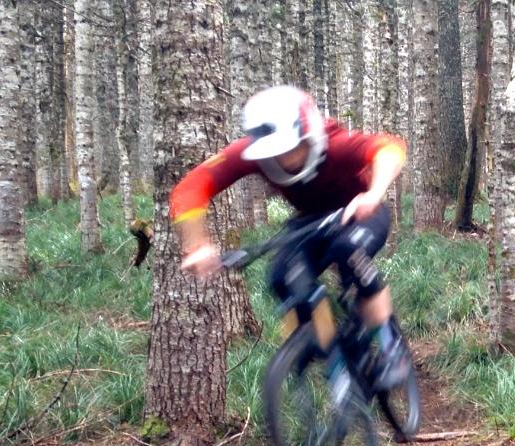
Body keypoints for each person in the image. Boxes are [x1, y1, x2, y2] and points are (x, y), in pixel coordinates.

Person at [170, 84, 410, 389]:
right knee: (281, 277)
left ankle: (391, 347)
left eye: (290, 148)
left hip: (360, 211)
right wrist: (197, 244)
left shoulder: (334, 144)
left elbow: (390, 148)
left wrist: (374, 194)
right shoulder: (250, 152)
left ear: (308, 135)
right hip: (311, 222)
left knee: (350, 252)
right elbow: (191, 187)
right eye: (274, 152)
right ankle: (325, 347)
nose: (283, 159)